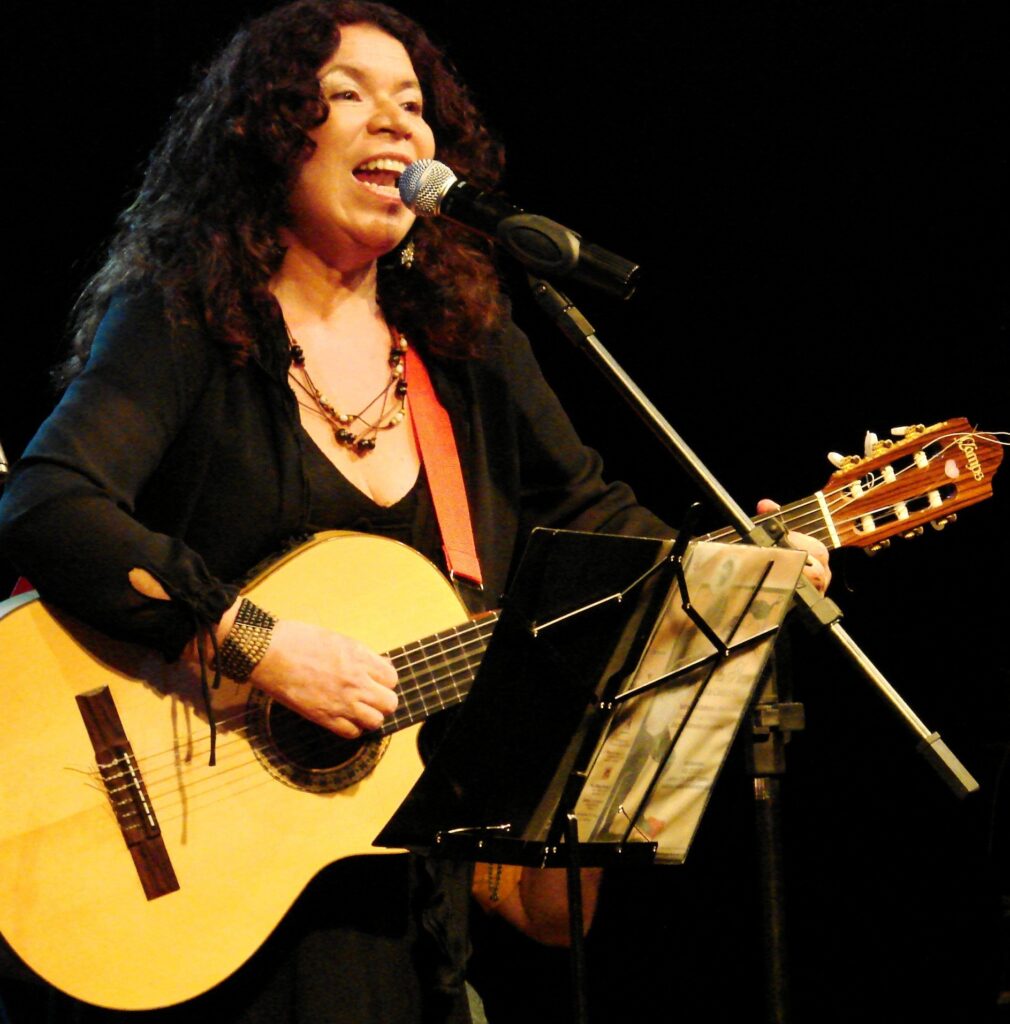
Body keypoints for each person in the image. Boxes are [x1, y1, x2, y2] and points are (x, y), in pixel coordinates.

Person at [0, 2, 830, 1021]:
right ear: (267, 134)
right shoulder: (185, 322)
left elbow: (595, 518)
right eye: (346, 94)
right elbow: (49, 502)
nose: (395, 120)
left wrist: (751, 563)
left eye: (411, 102)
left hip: (388, 911)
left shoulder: (467, 348)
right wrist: (259, 646)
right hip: (188, 907)